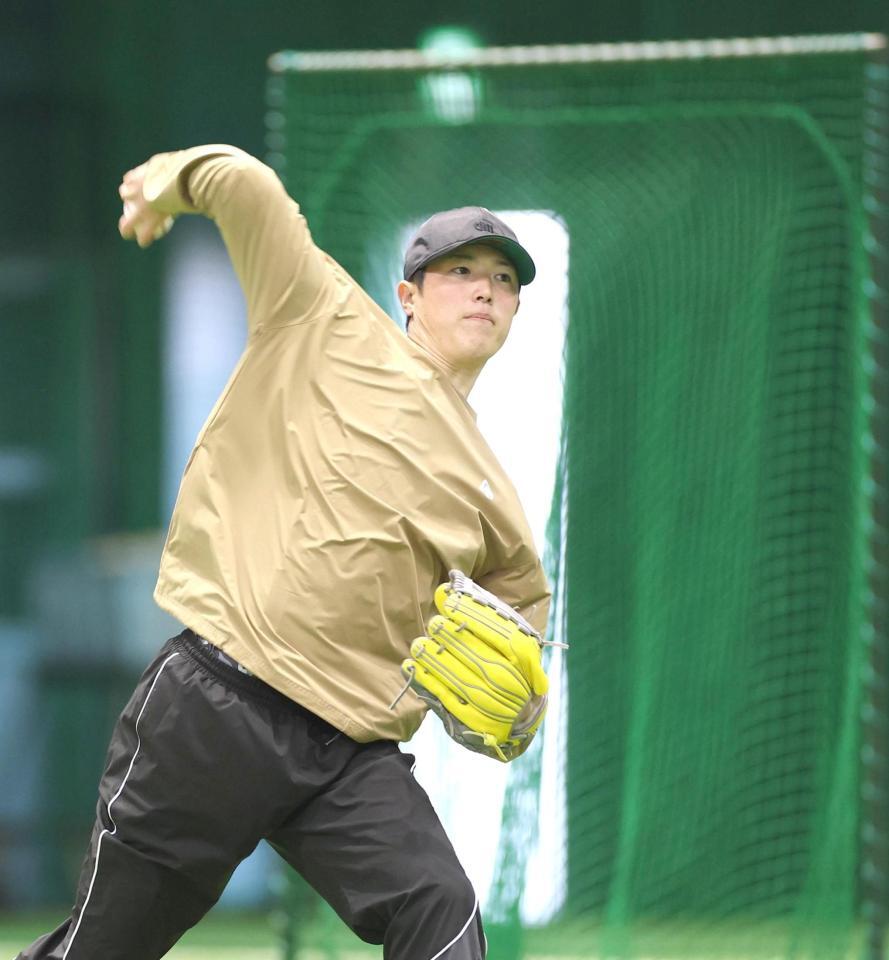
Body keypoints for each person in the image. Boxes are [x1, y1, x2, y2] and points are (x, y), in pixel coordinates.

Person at [18, 145, 551, 960]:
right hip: (216, 706)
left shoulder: (491, 491)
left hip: (350, 757)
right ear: (406, 294)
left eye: (504, 280)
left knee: (439, 913)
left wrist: (518, 711)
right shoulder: (325, 318)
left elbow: (521, 626)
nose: (485, 288)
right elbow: (246, 184)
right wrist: (164, 183)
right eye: (460, 270)